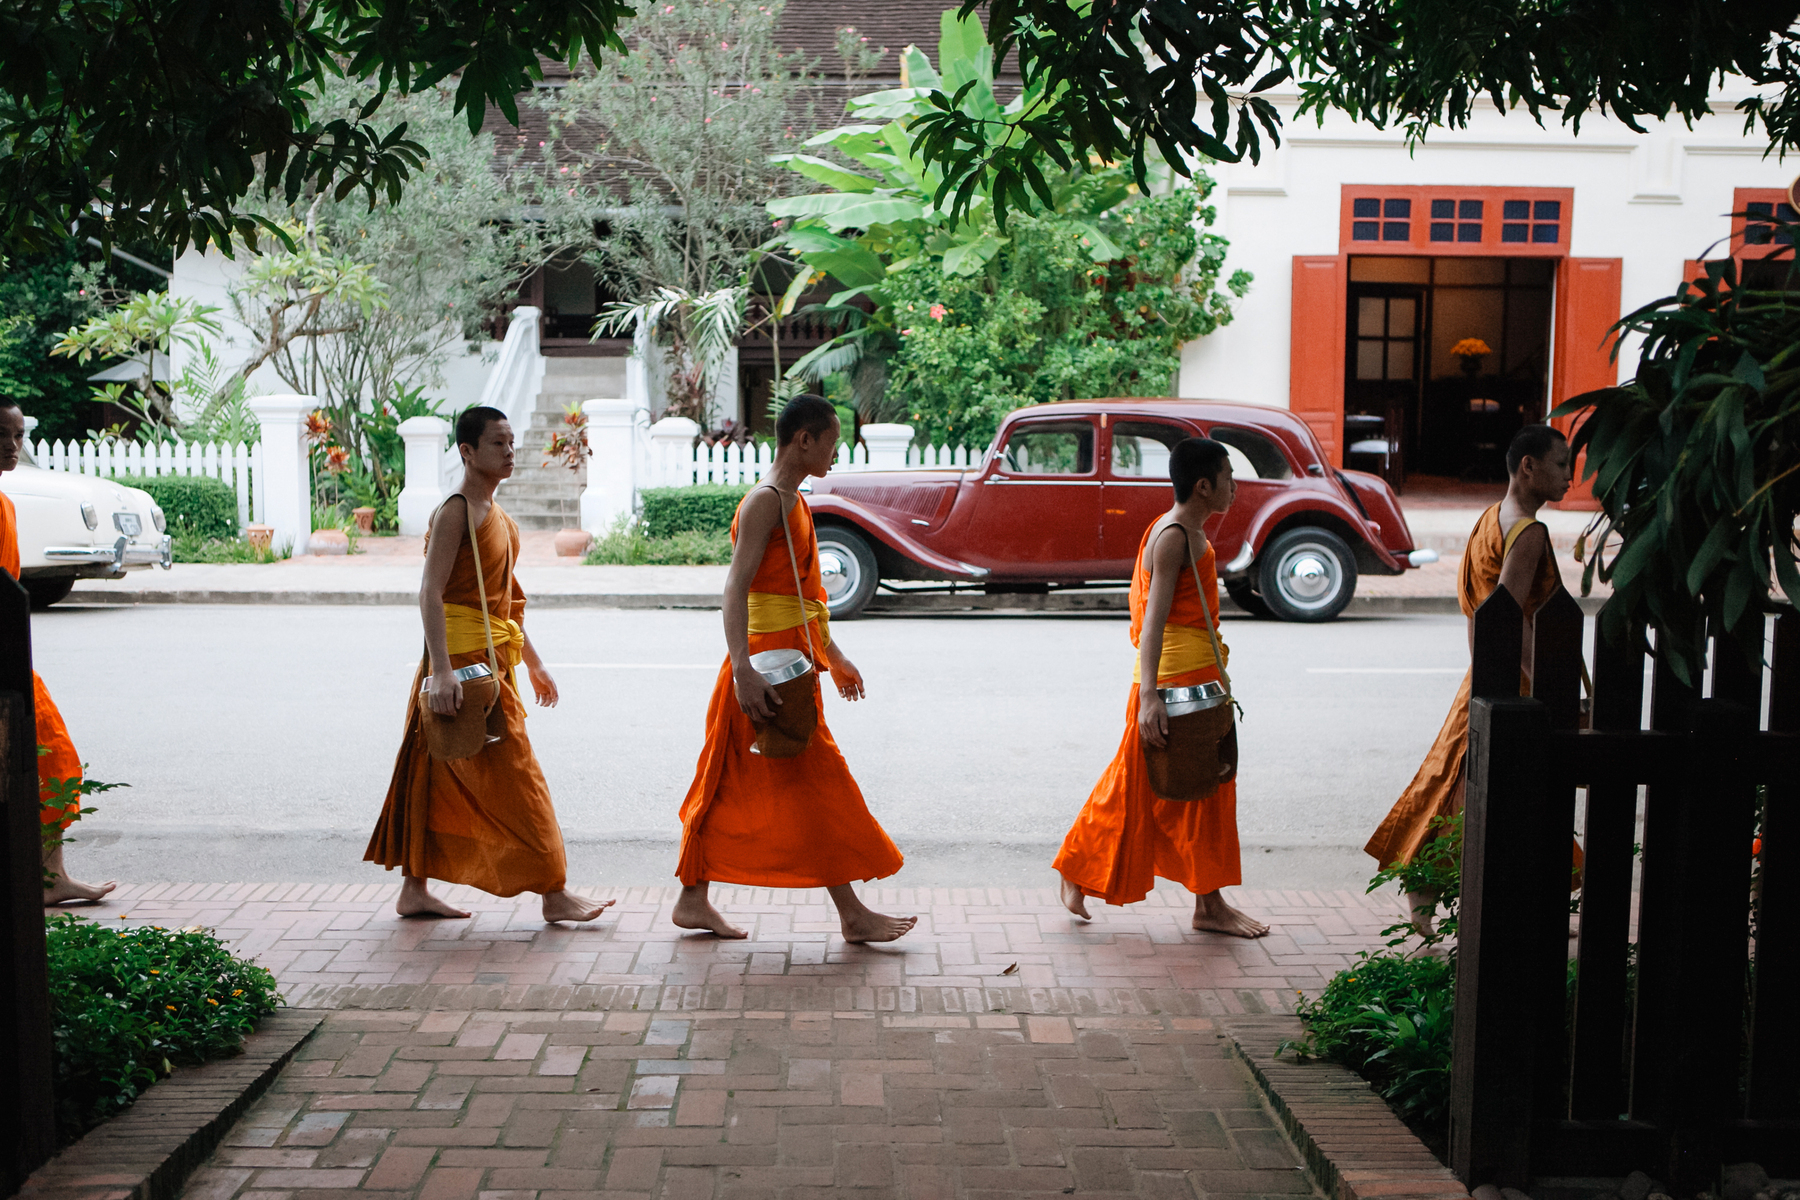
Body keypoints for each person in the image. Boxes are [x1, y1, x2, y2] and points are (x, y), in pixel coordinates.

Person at [672, 394, 914, 943]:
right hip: (763, 669)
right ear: (803, 440)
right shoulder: (765, 502)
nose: (835, 452)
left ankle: (693, 897)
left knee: (727, 781)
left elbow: (806, 597)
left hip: (790, 664)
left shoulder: (794, 501)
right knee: (810, 780)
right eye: (830, 442)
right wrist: (742, 670)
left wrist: (836, 656)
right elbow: (735, 590)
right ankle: (851, 914)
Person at [365, 405, 612, 924]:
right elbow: (430, 593)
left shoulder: (496, 515)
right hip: (458, 666)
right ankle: (554, 890)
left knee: (431, 773)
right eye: (497, 444)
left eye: (511, 443)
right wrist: (441, 671)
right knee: (519, 775)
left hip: (491, 658)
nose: (508, 452)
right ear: (467, 451)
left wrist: (535, 663)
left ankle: (415, 888)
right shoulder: (457, 510)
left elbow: (504, 605)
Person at [1364, 424, 1577, 932]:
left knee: (1457, 779)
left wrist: (1483, 672)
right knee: (1501, 786)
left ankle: (1431, 887)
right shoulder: (1529, 532)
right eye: (1562, 464)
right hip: (1515, 679)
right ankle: (1433, 884)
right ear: (1529, 466)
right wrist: (1543, 685)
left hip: (1484, 671)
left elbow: (1480, 615)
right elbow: (1512, 618)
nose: (1571, 477)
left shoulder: (1491, 518)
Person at [1054, 437, 1269, 938]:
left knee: (1198, 792)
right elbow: (1153, 623)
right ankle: (1083, 870)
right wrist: (1150, 696)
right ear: (1203, 485)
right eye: (1229, 477)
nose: (1235, 487)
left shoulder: (1181, 530)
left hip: (1194, 681)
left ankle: (1203, 903)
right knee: (1145, 788)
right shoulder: (1175, 537)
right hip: (1173, 685)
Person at [0, 399, 118, 905]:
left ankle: (49, 875)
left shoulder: (6, 504)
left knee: (55, 763)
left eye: (19, 436)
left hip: (12, 656)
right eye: (2, 434)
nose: (11, 445)